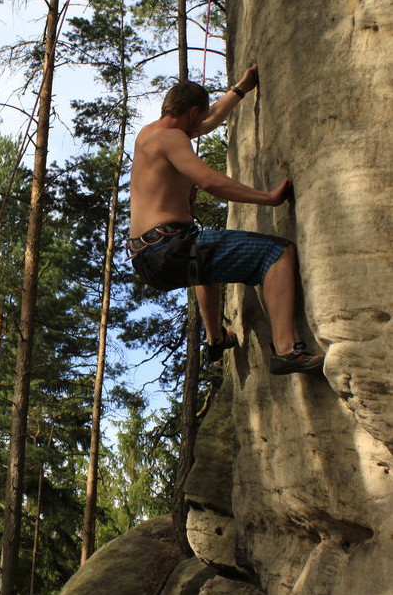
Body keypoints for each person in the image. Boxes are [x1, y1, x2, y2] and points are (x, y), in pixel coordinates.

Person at [128, 67, 323, 375]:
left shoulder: (149, 134)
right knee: (277, 252)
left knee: (206, 258)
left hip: (149, 256)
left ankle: (216, 338)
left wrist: (241, 89)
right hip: (171, 247)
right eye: (198, 118)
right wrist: (267, 198)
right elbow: (211, 182)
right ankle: (287, 350)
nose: (201, 126)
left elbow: (207, 120)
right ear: (192, 112)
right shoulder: (172, 139)